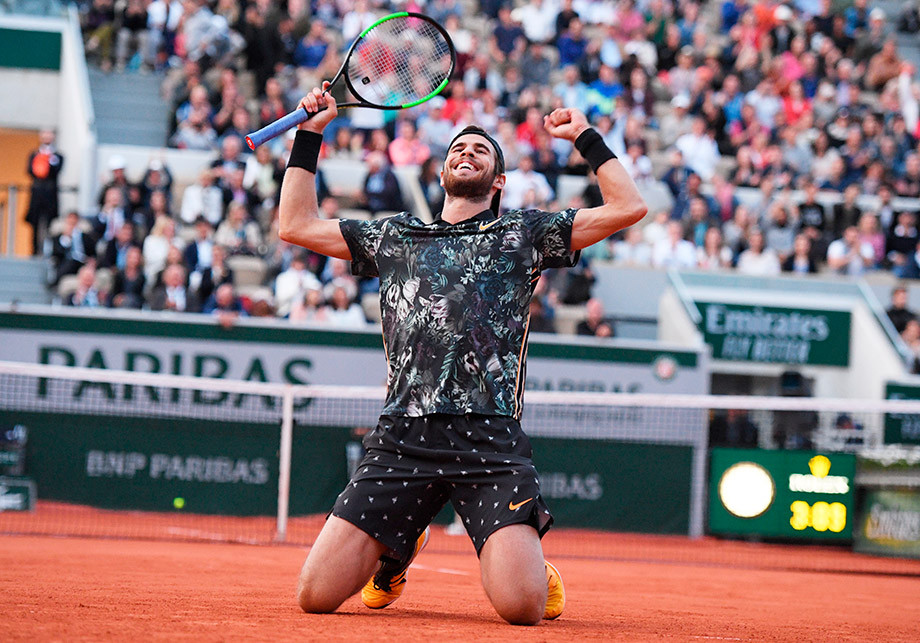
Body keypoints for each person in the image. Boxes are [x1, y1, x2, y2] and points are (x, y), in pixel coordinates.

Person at [279, 83, 646, 624]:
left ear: (498, 181)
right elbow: (295, 226)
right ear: (442, 172)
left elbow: (629, 207)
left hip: (489, 440)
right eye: (457, 147)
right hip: (402, 437)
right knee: (314, 596)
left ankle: (524, 560)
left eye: (480, 149)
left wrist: (585, 137)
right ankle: (399, 547)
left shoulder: (523, 232)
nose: (466, 151)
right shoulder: (397, 236)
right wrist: (310, 135)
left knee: (522, 609)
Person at [25, 129, 64, 255]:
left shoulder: (57, 156)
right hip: (37, 194)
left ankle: (48, 250)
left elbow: (57, 171)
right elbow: (30, 171)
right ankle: (34, 250)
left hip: (50, 194)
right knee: (35, 223)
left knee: (49, 224)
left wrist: (49, 160)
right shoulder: (34, 154)